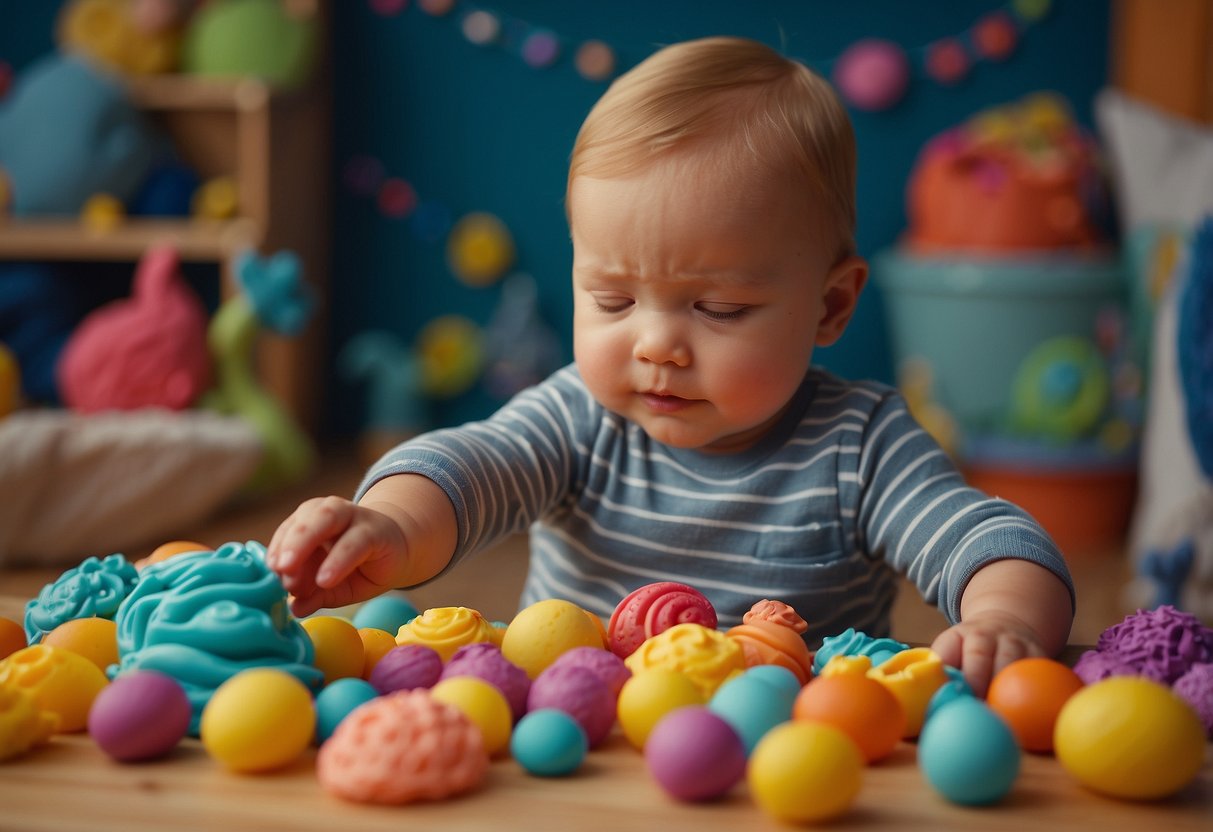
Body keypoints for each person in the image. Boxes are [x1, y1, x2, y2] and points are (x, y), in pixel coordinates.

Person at [268, 36, 1074, 696]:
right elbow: (470, 467)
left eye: (717, 309)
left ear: (830, 307)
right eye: (613, 302)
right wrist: (390, 527)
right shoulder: (581, 414)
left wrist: (1003, 615)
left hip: (787, 763)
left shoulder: (859, 445)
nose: (655, 344)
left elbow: (982, 535)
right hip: (582, 741)